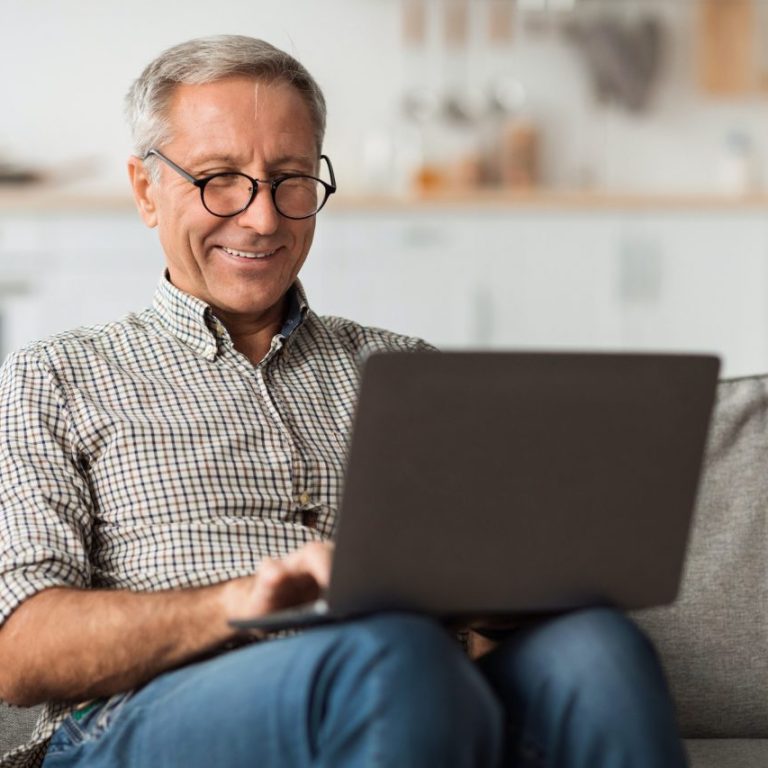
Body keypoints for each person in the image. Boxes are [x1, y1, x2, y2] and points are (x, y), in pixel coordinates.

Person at [0, 35, 687, 768]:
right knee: (389, 656)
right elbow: (19, 652)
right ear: (146, 190)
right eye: (220, 179)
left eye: (290, 179)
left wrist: (514, 586)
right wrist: (235, 605)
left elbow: (485, 627)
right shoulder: (55, 374)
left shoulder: (405, 371)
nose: (263, 218)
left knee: (597, 648)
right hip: (147, 717)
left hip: (412, 685)